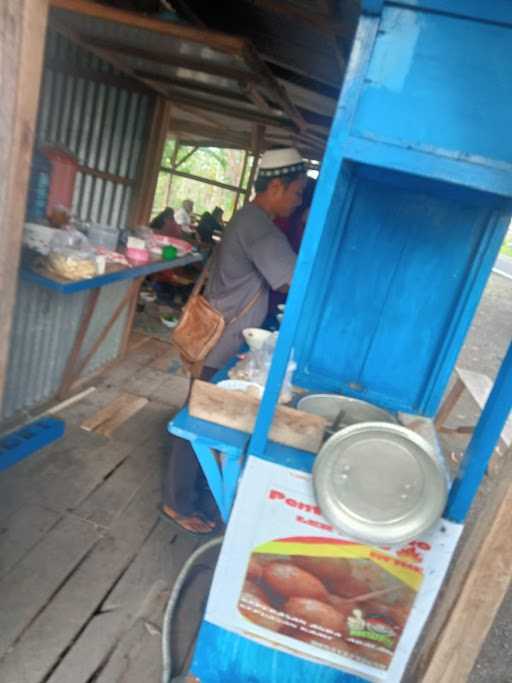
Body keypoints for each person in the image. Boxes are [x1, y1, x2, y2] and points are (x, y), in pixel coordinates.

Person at [162, 148, 307, 535]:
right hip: (222, 339)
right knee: (199, 415)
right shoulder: (259, 226)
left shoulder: (248, 218)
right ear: (275, 186)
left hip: (221, 334)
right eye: (295, 193)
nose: (297, 202)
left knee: (203, 411)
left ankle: (192, 492)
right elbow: (292, 280)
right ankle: (177, 502)